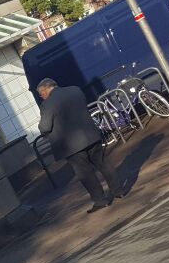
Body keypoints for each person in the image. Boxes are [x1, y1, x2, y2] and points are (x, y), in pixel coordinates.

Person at [37, 77, 124, 213]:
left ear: (45, 90)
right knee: (103, 163)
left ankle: (100, 200)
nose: (42, 97)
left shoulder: (47, 104)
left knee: (86, 173)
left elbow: (45, 127)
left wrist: (41, 127)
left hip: (72, 145)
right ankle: (118, 191)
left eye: (41, 94)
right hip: (91, 135)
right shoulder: (75, 90)